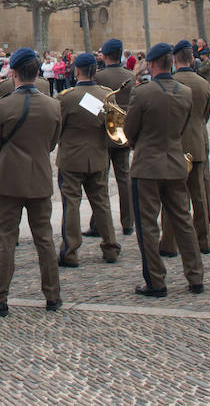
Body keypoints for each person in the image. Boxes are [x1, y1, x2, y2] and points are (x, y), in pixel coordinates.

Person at [0, 47, 62, 317]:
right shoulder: (53, 105)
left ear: (13, 72)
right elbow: (52, 142)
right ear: (38, 73)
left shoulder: (3, 106)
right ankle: (53, 295)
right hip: (39, 176)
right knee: (45, 239)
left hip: (9, 179)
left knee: (7, 239)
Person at [126, 43, 204, 297]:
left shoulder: (143, 93)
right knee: (183, 221)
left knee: (147, 225)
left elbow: (129, 132)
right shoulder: (186, 92)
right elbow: (182, 128)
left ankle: (156, 281)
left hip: (147, 164)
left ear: (152, 63)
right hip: (175, 161)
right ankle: (195, 276)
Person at [54, 52, 120, 268]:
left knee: (71, 204)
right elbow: (113, 127)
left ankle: (70, 251)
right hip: (98, 156)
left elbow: (57, 127)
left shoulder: (66, 96)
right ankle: (110, 246)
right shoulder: (107, 95)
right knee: (101, 202)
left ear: (77, 71)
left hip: (72, 158)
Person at [162, 40, 210, 258]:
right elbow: (206, 115)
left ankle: (169, 243)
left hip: (175, 145)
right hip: (198, 141)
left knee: (172, 197)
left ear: (174, 59)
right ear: (192, 59)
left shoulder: (170, 83)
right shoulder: (203, 84)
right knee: (198, 196)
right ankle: (204, 239)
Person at [90, 38, 135, 238]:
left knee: (100, 181)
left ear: (106, 56)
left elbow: (91, 105)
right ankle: (128, 222)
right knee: (124, 179)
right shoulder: (131, 76)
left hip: (103, 134)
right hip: (123, 134)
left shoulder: (99, 77)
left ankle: (99, 224)